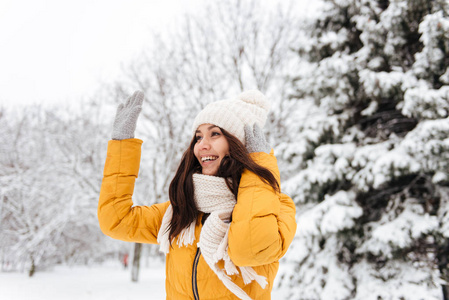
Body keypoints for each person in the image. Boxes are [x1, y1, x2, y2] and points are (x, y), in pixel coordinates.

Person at [98, 90, 296, 300]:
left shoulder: (277, 206)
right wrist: (121, 144)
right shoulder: (182, 210)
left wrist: (258, 165)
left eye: (215, 134)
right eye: (198, 137)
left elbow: (249, 249)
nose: (202, 144)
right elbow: (116, 220)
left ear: (239, 145)